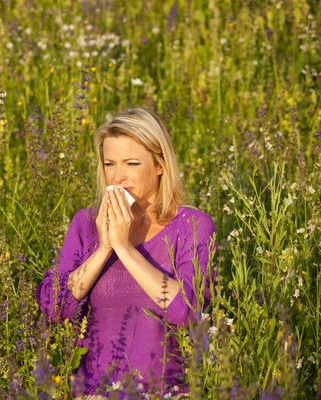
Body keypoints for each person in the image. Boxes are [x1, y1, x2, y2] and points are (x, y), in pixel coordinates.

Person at [36, 107, 216, 399]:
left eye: (132, 163)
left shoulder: (191, 226)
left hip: (167, 393)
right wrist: (104, 247)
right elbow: (54, 307)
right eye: (109, 164)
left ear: (160, 164)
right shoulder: (87, 223)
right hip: (94, 391)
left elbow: (188, 310)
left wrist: (124, 248)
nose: (118, 177)